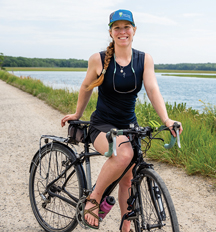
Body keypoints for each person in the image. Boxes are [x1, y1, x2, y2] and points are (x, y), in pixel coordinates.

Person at [61, 9, 183, 232]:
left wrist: (166, 119)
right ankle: (94, 198)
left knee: (128, 178)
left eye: (126, 27)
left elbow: (153, 89)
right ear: (111, 32)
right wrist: (78, 114)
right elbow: (86, 87)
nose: (122, 31)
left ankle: (125, 229)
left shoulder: (144, 59)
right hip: (102, 126)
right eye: (117, 27)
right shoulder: (98, 60)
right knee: (124, 154)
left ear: (134, 30)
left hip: (129, 125)